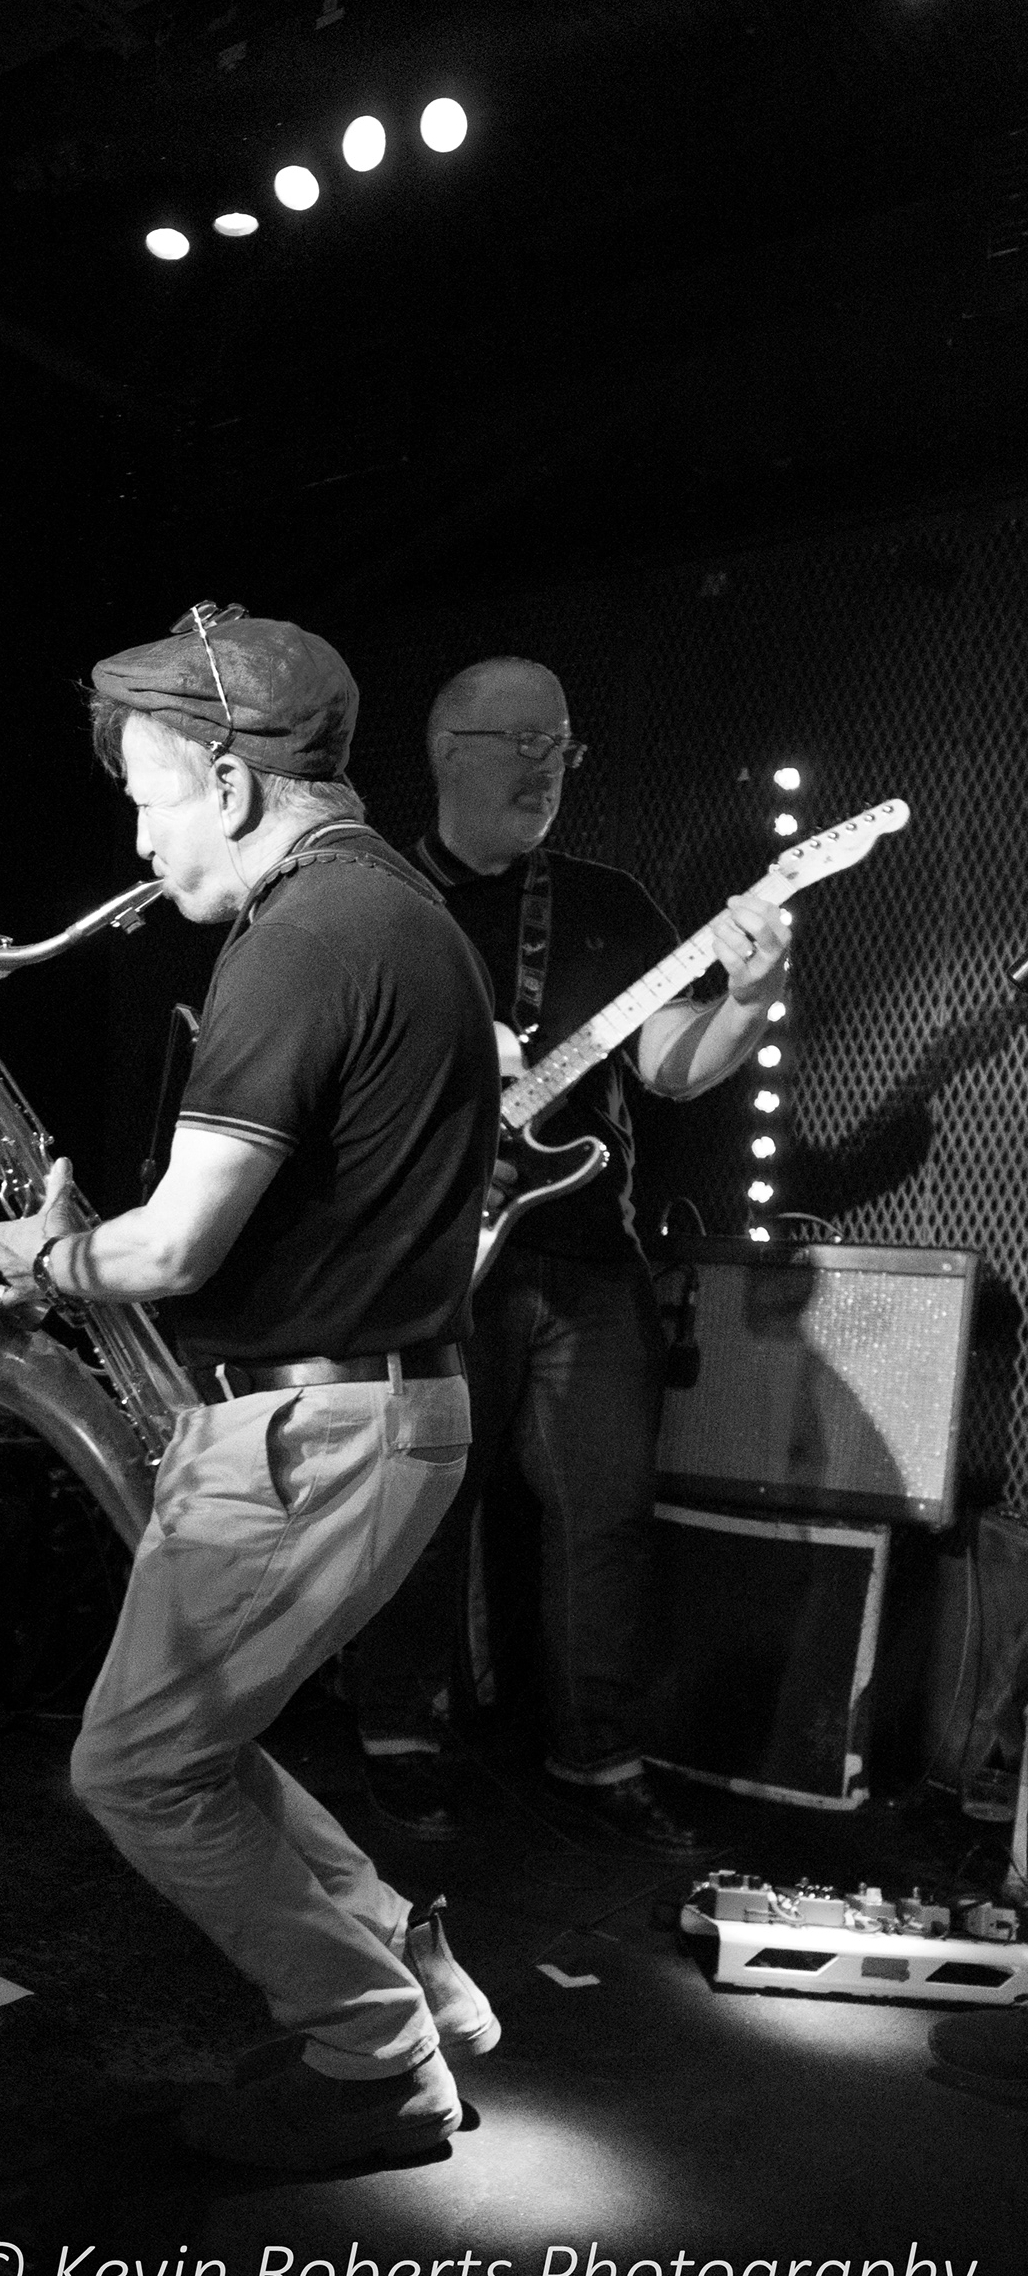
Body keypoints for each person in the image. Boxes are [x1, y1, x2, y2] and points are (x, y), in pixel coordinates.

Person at [0, 604, 501, 2173]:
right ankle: (410, 1959)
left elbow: (179, 1244)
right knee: (195, 1737)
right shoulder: (396, 914)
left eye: (150, 797)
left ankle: (376, 2051)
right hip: (358, 1411)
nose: (140, 838)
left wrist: (55, 1260)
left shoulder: (305, 934)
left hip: (318, 1426)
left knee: (133, 1767)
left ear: (232, 780)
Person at [345, 656, 791, 1852]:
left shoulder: (605, 902)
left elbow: (671, 1067)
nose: (548, 768)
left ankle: (599, 1755)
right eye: (524, 743)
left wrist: (751, 997)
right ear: (448, 749)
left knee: (607, 1516)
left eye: (564, 746)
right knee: (418, 1507)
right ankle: (398, 1738)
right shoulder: (376, 898)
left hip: (588, 1257)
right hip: (432, 1261)